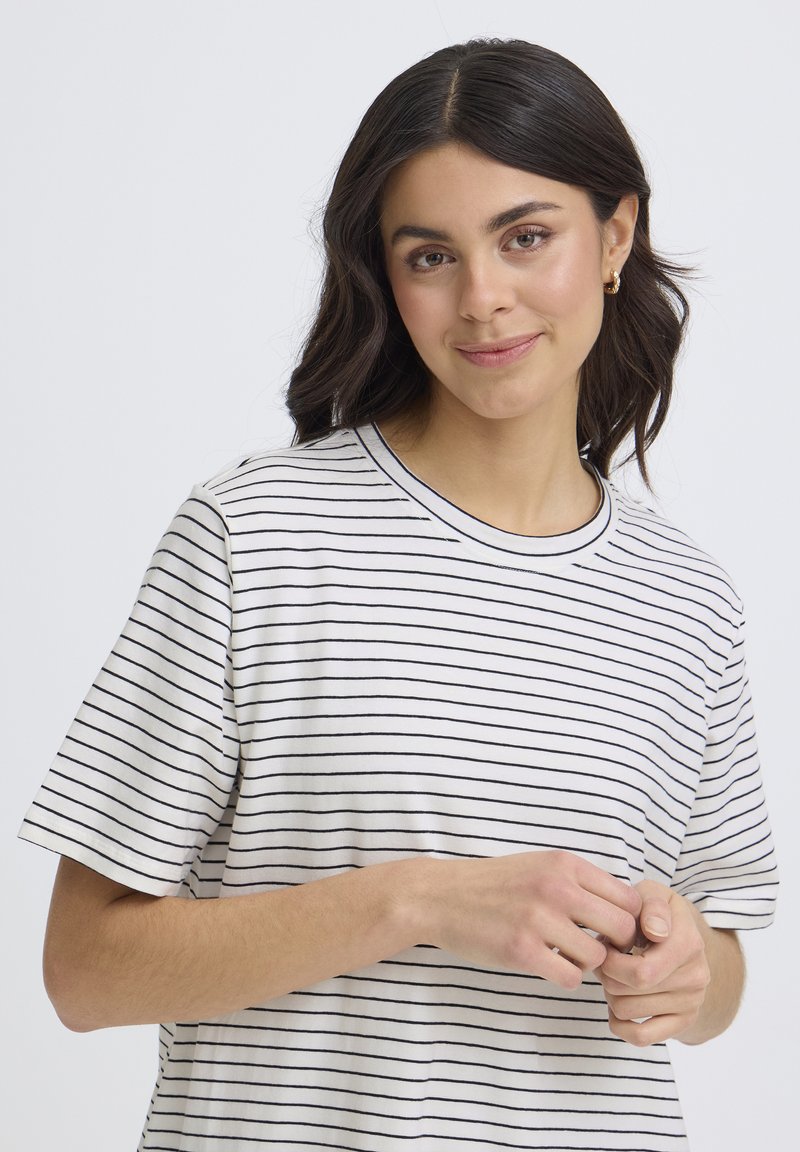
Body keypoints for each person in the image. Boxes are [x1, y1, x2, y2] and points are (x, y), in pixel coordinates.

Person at [20, 38, 777, 1152]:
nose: (483, 299)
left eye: (526, 237)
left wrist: (686, 971)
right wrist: (415, 902)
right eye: (430, 256)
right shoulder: (254, 539)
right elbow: (84, 971)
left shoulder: (688, 599)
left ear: (615, 236)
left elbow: (723, 972)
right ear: (386, 274)